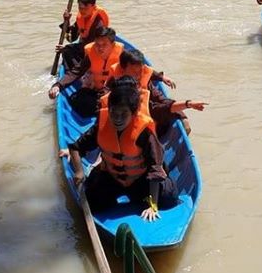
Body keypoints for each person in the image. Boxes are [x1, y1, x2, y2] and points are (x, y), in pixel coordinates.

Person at [60, 79, 179, 220]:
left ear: (134, 114)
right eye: (113, 113)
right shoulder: (101, 127)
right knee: (93, 204)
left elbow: (155, 169)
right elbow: (76, 147)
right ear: (108, 109)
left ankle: (146, 198)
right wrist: (79, 171)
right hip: (113, 178)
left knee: (168, 200)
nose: (117, 118)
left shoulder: (144, 134)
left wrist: (153, 205)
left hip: (140, 179)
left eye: (124, 114)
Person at [105, 49, 205, 135]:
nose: (139, 75)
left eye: (140, 71)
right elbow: (103, 100)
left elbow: (161, 103)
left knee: (161, 109)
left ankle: (179, 115)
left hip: (141, 122)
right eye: (135, 72)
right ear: (123, 69)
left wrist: (187, 105)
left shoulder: (145, 84)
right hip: (122, 122)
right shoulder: (114, 83)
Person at [50, 26, 124, 116]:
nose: (100, 48)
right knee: (82, 103)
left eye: (104, 44)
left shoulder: (122, 55)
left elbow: (126, 77)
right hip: (95, 88)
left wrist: (108, 91)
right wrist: (58, 85)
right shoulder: (91, 53)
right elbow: (77, 71)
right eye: (97, 44)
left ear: (112, 45)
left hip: (112, 89)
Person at [57, 0, 110, 71]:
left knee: (67, 50)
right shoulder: (82, 18)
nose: (82, 11)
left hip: (96, 51)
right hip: (84, 48)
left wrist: (65, 49)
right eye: (80, 8)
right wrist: (66, 21)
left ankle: (77, 72)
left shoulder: (98, 23)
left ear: (93, 6)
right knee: (67, 50)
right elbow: (71, 38)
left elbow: (92, 46)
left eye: (85, 8)